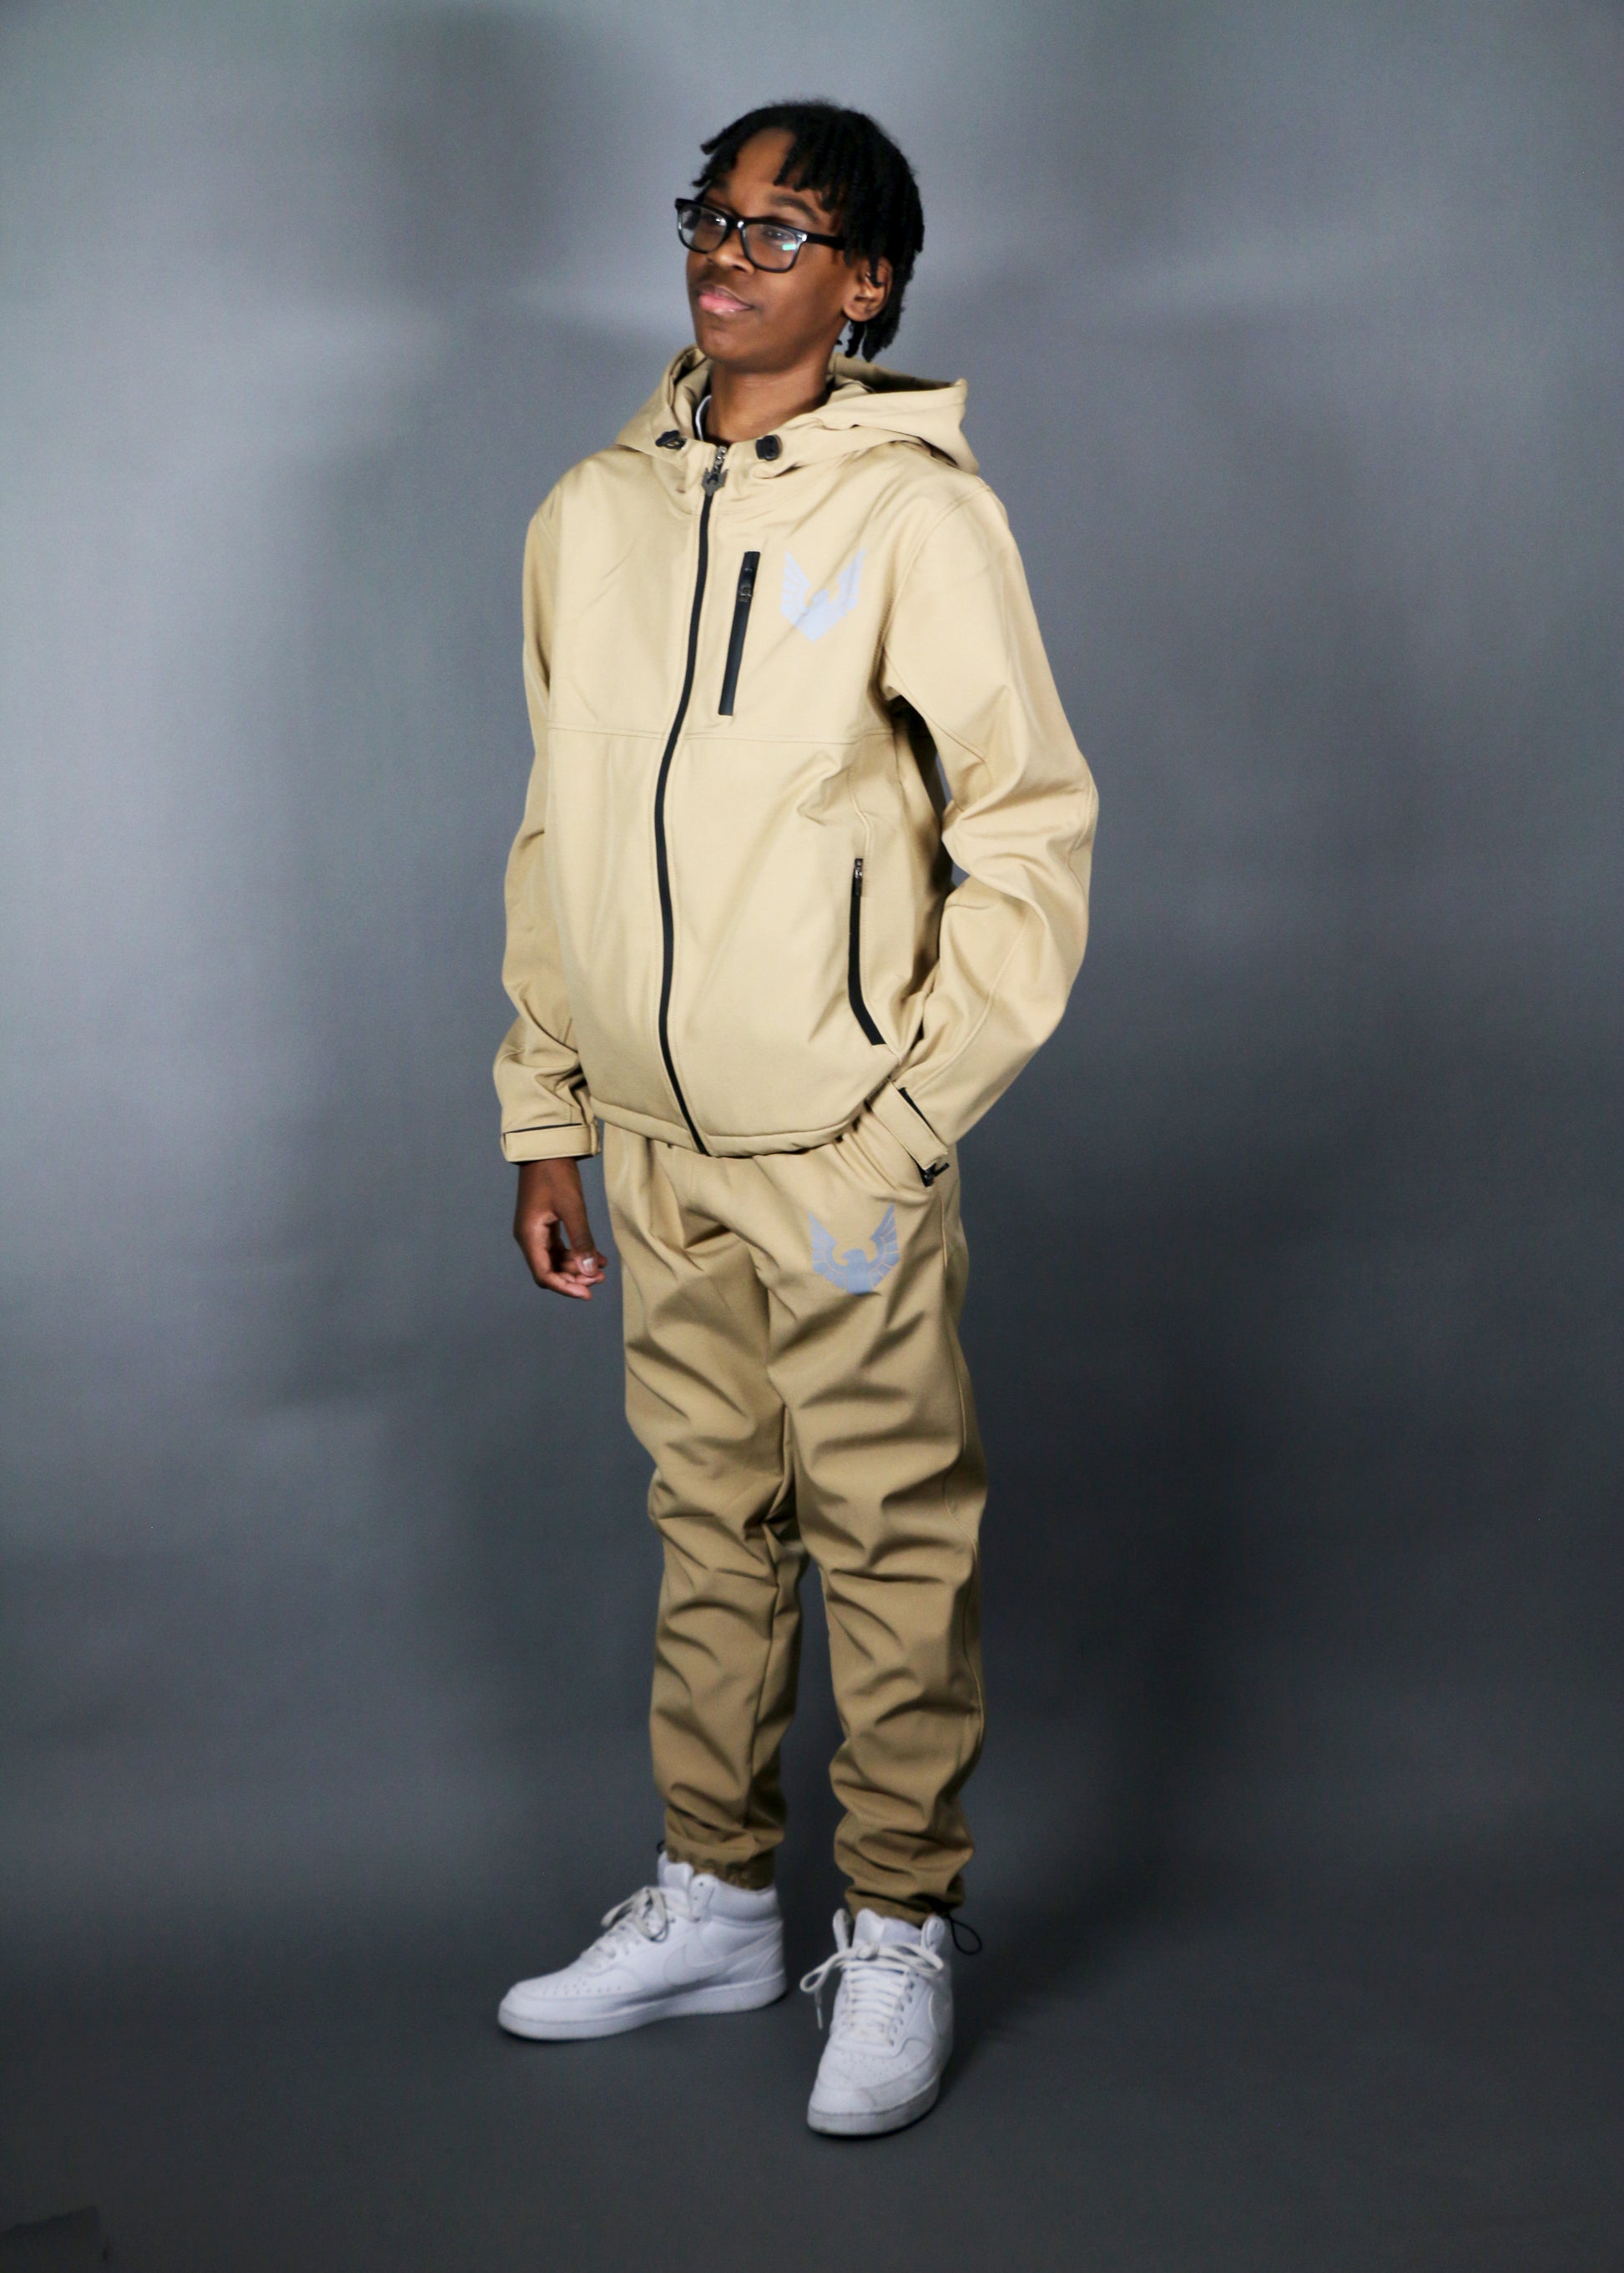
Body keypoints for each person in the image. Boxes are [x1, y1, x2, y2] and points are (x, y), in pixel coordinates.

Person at [492, 99, 1097, 2137]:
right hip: (651, 1146)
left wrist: (904, 1119)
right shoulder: (589, 513)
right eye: (711, 216)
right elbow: (558, 833)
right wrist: (546, 1113)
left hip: (837, 1147)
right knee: (707, 1529)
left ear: (868, 284)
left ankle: (899, 1922)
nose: (725, 252)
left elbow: (1029, 833)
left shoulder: (917, 519)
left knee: (889, 1535)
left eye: (782, 228)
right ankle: (719, 1898)